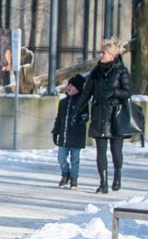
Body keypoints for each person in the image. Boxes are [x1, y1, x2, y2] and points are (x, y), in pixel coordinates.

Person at [74, 37, 132, 193]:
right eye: (101, 52)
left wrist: (114, 92)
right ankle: (103, 182)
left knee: (116, 150)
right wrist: (76, 110)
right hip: (99, 114)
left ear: (112, 55)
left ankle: (117, 176)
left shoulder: (121, 71)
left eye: (104, 53)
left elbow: (127, 92)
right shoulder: (96, 72)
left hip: (115, 115)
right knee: (100, 150)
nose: (101, 55)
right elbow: (86, 94)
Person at [52, 74, 88, 189]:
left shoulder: (82, 102)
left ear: (78, 88)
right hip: (64, 135)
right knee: (61, 157)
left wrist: (82, 119)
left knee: (75, 159)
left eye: (72, 86)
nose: (69, 87)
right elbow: (59, 118)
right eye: (69, 85)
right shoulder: (63, 102)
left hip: (76, 136)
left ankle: (74, 179)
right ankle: (65, 173)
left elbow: (86, 116)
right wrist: (56, 131)